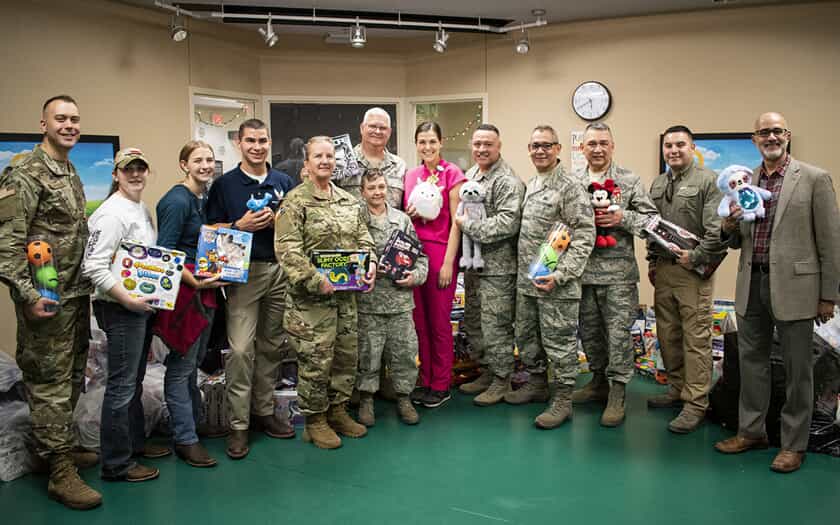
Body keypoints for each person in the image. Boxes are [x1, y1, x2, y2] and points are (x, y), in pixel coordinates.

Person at [714, 112, 840, 473]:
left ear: (786, 135)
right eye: (763, 132)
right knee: (752, 364)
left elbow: (831, 242)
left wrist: (828, 295)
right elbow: (735, 241)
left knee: (799, 370)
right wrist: (727, 224)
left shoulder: (814, 178)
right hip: (751, 283)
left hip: (798, 288)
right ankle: (752, 432)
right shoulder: (744, 179)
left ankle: (793, 444)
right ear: (754, 140)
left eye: (776, 130)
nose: (770, 137)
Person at [0, 95, 101, 509]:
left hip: (75, 294)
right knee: (48, 382)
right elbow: (7, 242)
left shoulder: (70, 170)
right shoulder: (25, 171)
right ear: (43, 122)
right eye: (61, 118)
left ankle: (56, 449)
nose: (70, 125)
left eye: (75, 119)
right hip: (46, 297)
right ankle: (59, 470)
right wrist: (27, 294)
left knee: (74, 374)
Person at [275, 136, 377, 449]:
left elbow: (365, 240)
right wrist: (315, 279)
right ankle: (315, 420)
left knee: (346, 358)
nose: (325, 161)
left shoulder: (349, 201)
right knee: (315, 362)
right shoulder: (294, 201)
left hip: (345, 299)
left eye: (330, 156)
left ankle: (337, 412)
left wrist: (370, 264)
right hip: (311, 302)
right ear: (306, 163)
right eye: (318, 156)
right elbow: (287, 249)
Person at [205, 119, 297, 459]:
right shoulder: (225, 185)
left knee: (272, 346)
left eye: (262, 140)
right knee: (242, 349)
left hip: (280, 269)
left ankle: (262, 413)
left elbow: (298, 222)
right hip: (243, 273)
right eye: (250, 141)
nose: (257, 146)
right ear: (238, 144)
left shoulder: (283, 181)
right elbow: (209, 230)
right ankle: (239, 425)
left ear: (269, 142)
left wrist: (279, 221)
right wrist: (238, 225)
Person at [83, 147, 165, 483]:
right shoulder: (111, 214)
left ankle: (135, 444)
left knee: (132, 380)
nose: (135, 174)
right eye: (127, 169)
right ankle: (117, 464)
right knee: (120, 385)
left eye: (140, 169)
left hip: (138, 306)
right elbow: (93, 266)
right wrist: (127, 301)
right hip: (120, 309)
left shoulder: (140, 209)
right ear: (116, 174)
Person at [569, 122, 658, 427]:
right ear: (582, 147)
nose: (597, 148)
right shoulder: (571, 181)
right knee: (590, 333)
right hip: (581, 272)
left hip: (618, 274)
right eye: (591, 143)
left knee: (618, 336)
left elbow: (651, 221)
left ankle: (617, 392)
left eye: (603, 143)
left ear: (612, 146)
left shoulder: (628, 180)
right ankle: (597, 382)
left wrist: (623, 217)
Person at [513, 125, 595, 429]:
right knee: (528, 337)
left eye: (546, 145)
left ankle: (563, 400)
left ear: (558, 149)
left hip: (556, 283)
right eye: (535, 146)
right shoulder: (533, 183)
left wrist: (560, 274)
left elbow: (585, 233)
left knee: (559, 343)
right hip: (528, 280)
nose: (540, 151)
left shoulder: (570, 186)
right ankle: (536, 384)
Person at [647, 125, 726, 434]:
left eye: (680, 144)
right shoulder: (658, 183)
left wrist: (694, 258)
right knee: (667, 334)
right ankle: (676, 388)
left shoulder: (708, 182)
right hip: (664, 270)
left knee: (696, 338)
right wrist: (652, 262)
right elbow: (652, 227)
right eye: (668, 146)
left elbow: (717, 231)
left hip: (693, 271)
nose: (674, 150)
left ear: (693, 148)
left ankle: (695, 404)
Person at [154, 141, 226, 468]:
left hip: (205, 290)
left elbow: (201, 237)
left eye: (210, 160)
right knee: (181, 366)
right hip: (186, 295)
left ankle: (193, 425)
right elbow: (166, 253)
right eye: (198, 160)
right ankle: (185, 439)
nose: (205, 165)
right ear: (184, 164)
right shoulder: (176, 201)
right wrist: (194, 281)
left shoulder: (202, 198)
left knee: (194, 362)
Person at [453, 124, 525, 406]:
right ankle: (485, 370)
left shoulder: (507, 180)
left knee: (496, 326)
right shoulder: (470, 175)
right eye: (478, 144)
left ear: (499, 146)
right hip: (473, 267)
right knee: (475, 322)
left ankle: (502, 379)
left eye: (488, 144)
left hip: (499, 268)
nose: (482, 149)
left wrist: (468, 225)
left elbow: (508, 222)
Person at [356, 168, 428, 426]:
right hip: (368, 302)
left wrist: (414, 277)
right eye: (372, 188)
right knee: (368, 354)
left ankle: (404, 398)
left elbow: (421, 258)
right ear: (362, 192)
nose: (377, 192)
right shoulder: (356, 219)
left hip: (400, 302)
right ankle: (366, 399)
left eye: (381, 187)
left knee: (405, 353)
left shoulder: (402, 220)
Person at [404, 122, 466, 409]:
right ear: (416, 144)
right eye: (422, 142)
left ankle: (441, 384)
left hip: (441, 253)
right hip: (414, 255)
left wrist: (448, 264)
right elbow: (406, 218)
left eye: (432, 141)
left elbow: (457, 223)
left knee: (440, 322)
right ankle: (425, 378)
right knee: (419, 323)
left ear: (441, 143)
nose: (427, 147)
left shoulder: (453, 175)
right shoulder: (411, 175)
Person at [337, 107, 406, 208]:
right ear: (362, 128)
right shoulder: (342, 161)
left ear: (390, 132)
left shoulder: (400, 166)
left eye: (383, 128)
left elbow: (406, 204)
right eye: (372, 126)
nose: (377, 131)